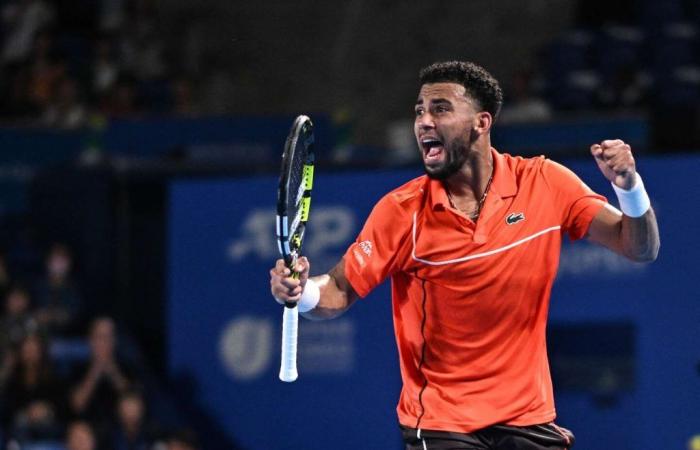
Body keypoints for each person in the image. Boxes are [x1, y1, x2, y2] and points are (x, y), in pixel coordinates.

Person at [269, 61, 660, 450]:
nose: (423, 121)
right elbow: (338, 288)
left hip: (527, 417)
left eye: (440, 108)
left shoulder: (545, 182)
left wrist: (629, 187)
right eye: (419, 111)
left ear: (481, 122)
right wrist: (302, 292)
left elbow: (639, 247)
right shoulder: (402, 211)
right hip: (442, 423)